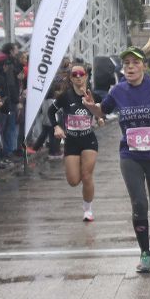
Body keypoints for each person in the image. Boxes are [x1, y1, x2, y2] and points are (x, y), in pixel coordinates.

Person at [86, 46, 150, 273]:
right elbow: (103, 111)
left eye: (135, 63)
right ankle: (145, 254)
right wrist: (92, 107)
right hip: (130, 156)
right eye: (126, 64)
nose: (130, 67)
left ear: (143, 66)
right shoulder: (118, 91)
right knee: (139, 204)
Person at [50, 64, 102, 222]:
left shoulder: (94, 95)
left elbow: (102, 112)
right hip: (71, 141)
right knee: (73, 181)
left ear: (86, 76)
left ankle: (88, 210)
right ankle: (78, 166)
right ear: (71, 78)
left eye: (81, 74)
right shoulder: (66, 96)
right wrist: (56, 126)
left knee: (87, 176)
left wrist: (100, 118)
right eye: (75, 74)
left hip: (88, 140)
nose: (78, 77)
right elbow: (50, 112)